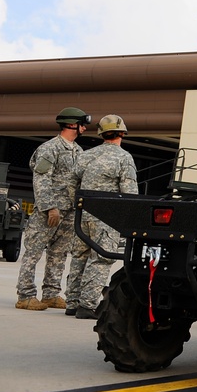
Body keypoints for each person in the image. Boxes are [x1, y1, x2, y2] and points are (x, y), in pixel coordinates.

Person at [15, 107, 90, 311]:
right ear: (72, 124)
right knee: (33, 252)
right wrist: (50, 207)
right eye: (83, 124)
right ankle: (25, 295)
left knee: (59, 253)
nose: (85, 128)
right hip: (49, 211)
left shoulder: (78, 151)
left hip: (69, 210)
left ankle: (50, 294)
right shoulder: (50, 148)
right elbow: (41, 179)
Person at [64, 115, 138, 319]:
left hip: (83, 215)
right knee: (101, 259)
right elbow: (130, 193)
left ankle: (72, 302)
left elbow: (71, 182)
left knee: (79, 257)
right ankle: (87, 305)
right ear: (122, 133)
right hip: (106, 218)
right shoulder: (124, 158)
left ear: (101, 133)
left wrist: (76, 204)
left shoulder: (86, 155)